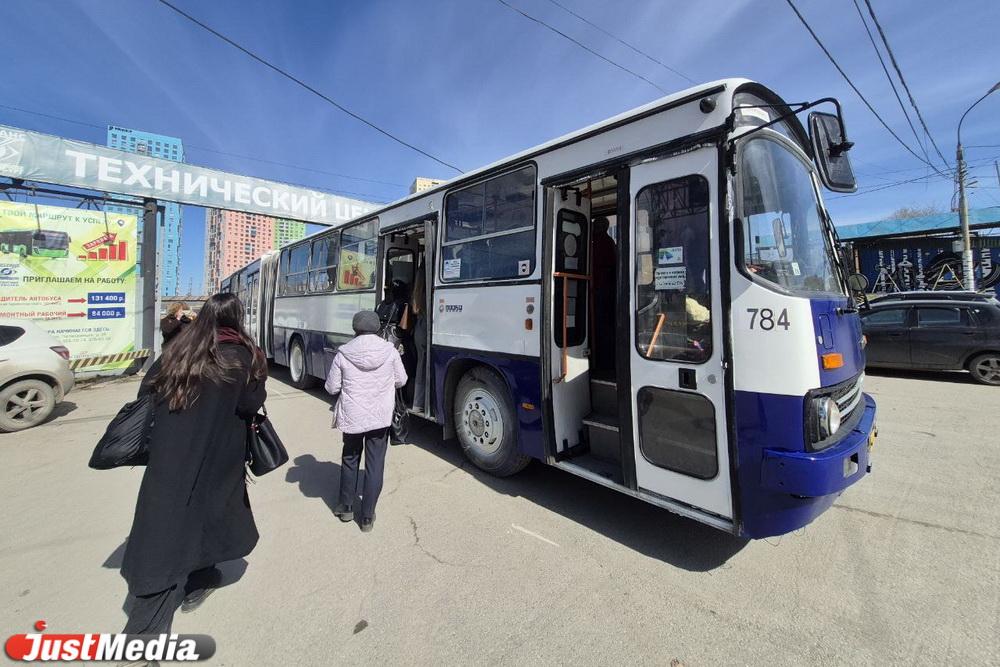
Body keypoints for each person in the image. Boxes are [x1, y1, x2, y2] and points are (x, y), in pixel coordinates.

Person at [120, 292, 267, 636]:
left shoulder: (179, 350)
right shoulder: (243, 355)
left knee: (164, 527)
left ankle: (150, 625)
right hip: (221, 454)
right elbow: (250, 403)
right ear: (237, 317)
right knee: (211, 512)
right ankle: (188, 592)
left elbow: (146, 394)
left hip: (171, 454)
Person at [325, 311, 407, 532]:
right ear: (377, 328)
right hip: (380, 417)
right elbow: (401, 380)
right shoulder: (390, 351)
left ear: (355, 328)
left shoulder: (344, 353)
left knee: (350, 458)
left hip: (352, 417)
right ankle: (368, 517)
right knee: (375, 464)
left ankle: (346, 508)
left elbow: (331, 387)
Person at [592, 217, 617, 378]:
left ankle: (602, 361)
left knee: (601, 326)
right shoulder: (605, 241)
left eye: (597, 225)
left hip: (600, 288)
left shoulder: (603, 242)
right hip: (601, 288)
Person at [409, 264, 428, 412]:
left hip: (419, 329)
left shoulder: (418, 292)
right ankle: (421, 403)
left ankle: (418, 403)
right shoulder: (429, 292)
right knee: (425, 366)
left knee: (422, 365)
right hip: (425, 329)